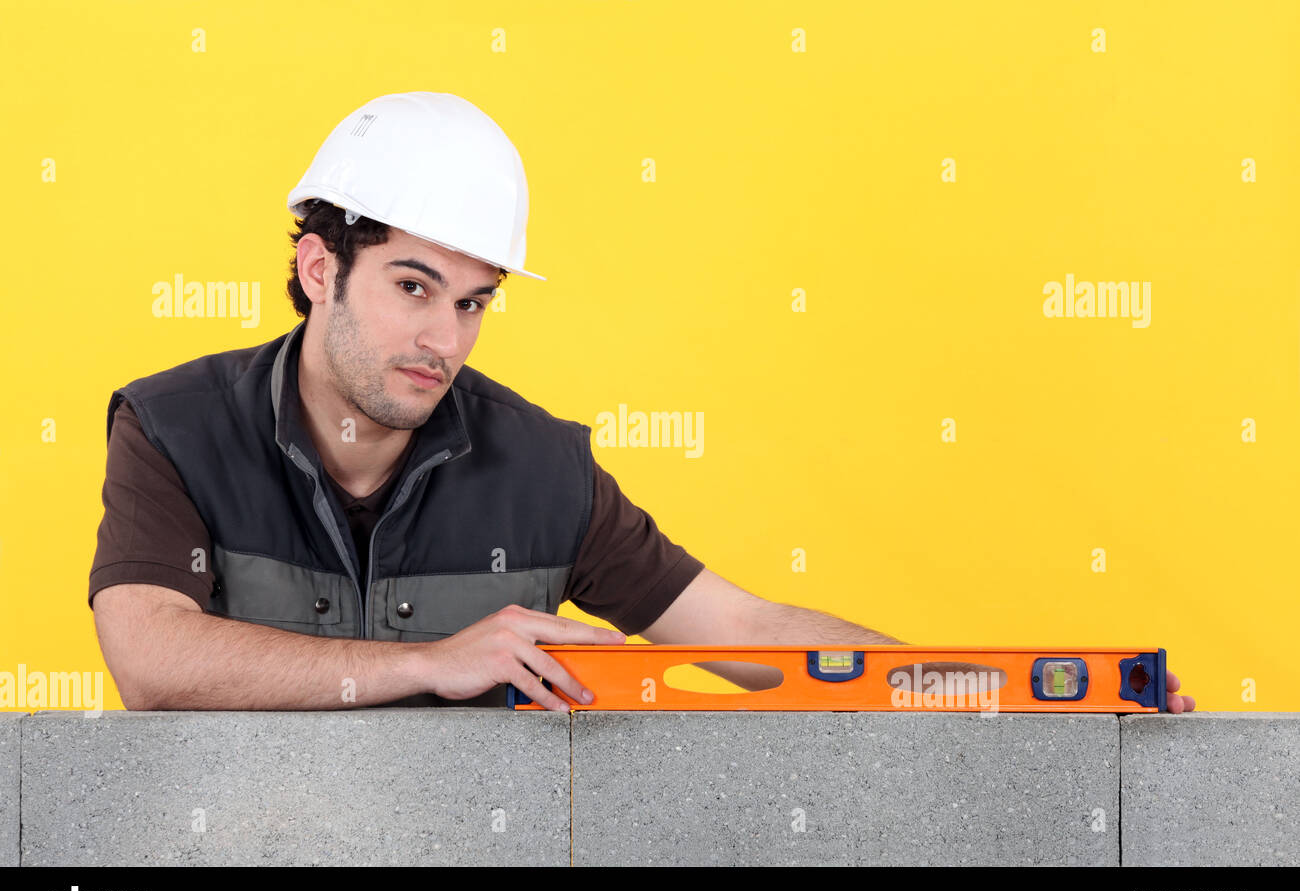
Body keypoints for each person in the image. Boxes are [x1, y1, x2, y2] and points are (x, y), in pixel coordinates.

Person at [87, 92, 1195, 715]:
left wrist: (1023, 704)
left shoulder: (538, 469)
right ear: (320, 266)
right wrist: (427, 659)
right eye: (413, 288)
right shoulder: (178, 426)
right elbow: (151, 653)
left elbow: (749, 633)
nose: (445, 340)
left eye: (475, 302)